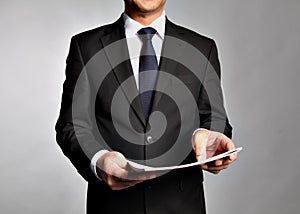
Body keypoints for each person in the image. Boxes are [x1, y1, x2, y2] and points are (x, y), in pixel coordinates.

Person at [55, 0, 238, 213]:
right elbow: (72, 125)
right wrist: (99, 159)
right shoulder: (86, 46)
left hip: (182, 204)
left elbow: (215, 118)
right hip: (112, 205)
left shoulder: (202, 47)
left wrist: (209, 137)